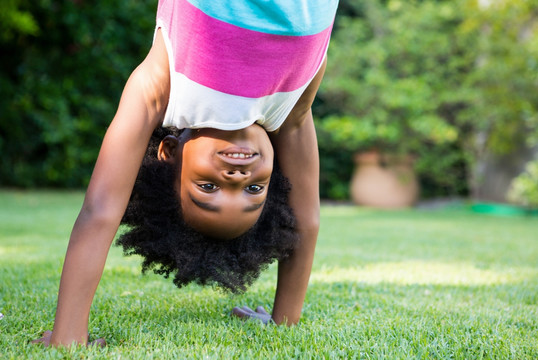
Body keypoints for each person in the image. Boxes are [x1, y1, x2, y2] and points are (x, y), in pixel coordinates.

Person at [33, 0, 339, 347]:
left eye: (208, 186)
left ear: (170, 154)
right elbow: (305, 219)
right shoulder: (289, 109)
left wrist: (68, 336)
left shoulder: (163, 88)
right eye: (255, 190)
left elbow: (100, 210)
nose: (237, 178)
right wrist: (285, 320)